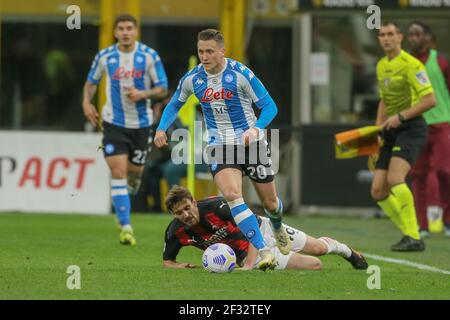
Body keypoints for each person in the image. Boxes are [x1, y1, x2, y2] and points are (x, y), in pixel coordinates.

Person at [154, 29, 290, 271]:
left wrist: (256, 129)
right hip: (219, 145)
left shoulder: (240, 74)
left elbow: (270, 106)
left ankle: (277, 226)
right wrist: (161, 128)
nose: (204, 56)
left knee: (270, 204)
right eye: (200, 51)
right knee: (231, 194)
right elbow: (174, 103)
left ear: (222, 51)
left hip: (252, 143)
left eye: (209, 51)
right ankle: (266, 250)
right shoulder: (193, 79)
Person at [82, 14, 168, 245]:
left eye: (130, 28)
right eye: (121, 28)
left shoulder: (149, 57)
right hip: (113, 123)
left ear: (136, 31)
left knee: (134, 175)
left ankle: (131, 189)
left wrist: (143, 94)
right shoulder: (105, 56)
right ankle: (126, 226)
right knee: (118, 172)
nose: (125, 32)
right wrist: (86, 102)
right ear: (115, 32)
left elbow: (162, 88)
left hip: (141, 124)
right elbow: (91, 82)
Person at [162, 185, 368, 271]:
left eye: (187, 208)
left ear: (194, 202)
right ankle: (270, 258)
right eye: (179, 213)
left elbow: (255, 226)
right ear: (174, 215)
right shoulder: (175, 232)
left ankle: (344, 250)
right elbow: (167, 261)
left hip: (265, 230)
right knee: (315, 265)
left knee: (319, 249)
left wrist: (249, 265)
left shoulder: (218, 207)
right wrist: (178, 265)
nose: (186, 215)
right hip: (247, 255)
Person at [371, 22, 436, 251]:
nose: (386, 38)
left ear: (400, 37)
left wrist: (401, 116)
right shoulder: (381, 65)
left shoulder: (412, 64)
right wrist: (378, 130)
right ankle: (410, 233)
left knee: (395, 178)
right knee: (378, 190)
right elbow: (384, 100)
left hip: (411, 127)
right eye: (382, 35)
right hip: (390, 129)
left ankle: (413, 236)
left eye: (390, 34)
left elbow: (430, 100)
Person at [407, 21, 450, 237]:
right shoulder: (405, 63)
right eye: (411, 34)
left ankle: (447, 220)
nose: (413, 37)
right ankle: (422, 225)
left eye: (418, 33)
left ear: (428, 38)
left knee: (444, 171)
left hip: (441, 122)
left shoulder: (441, 61)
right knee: (419, 175)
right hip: (416, 124)